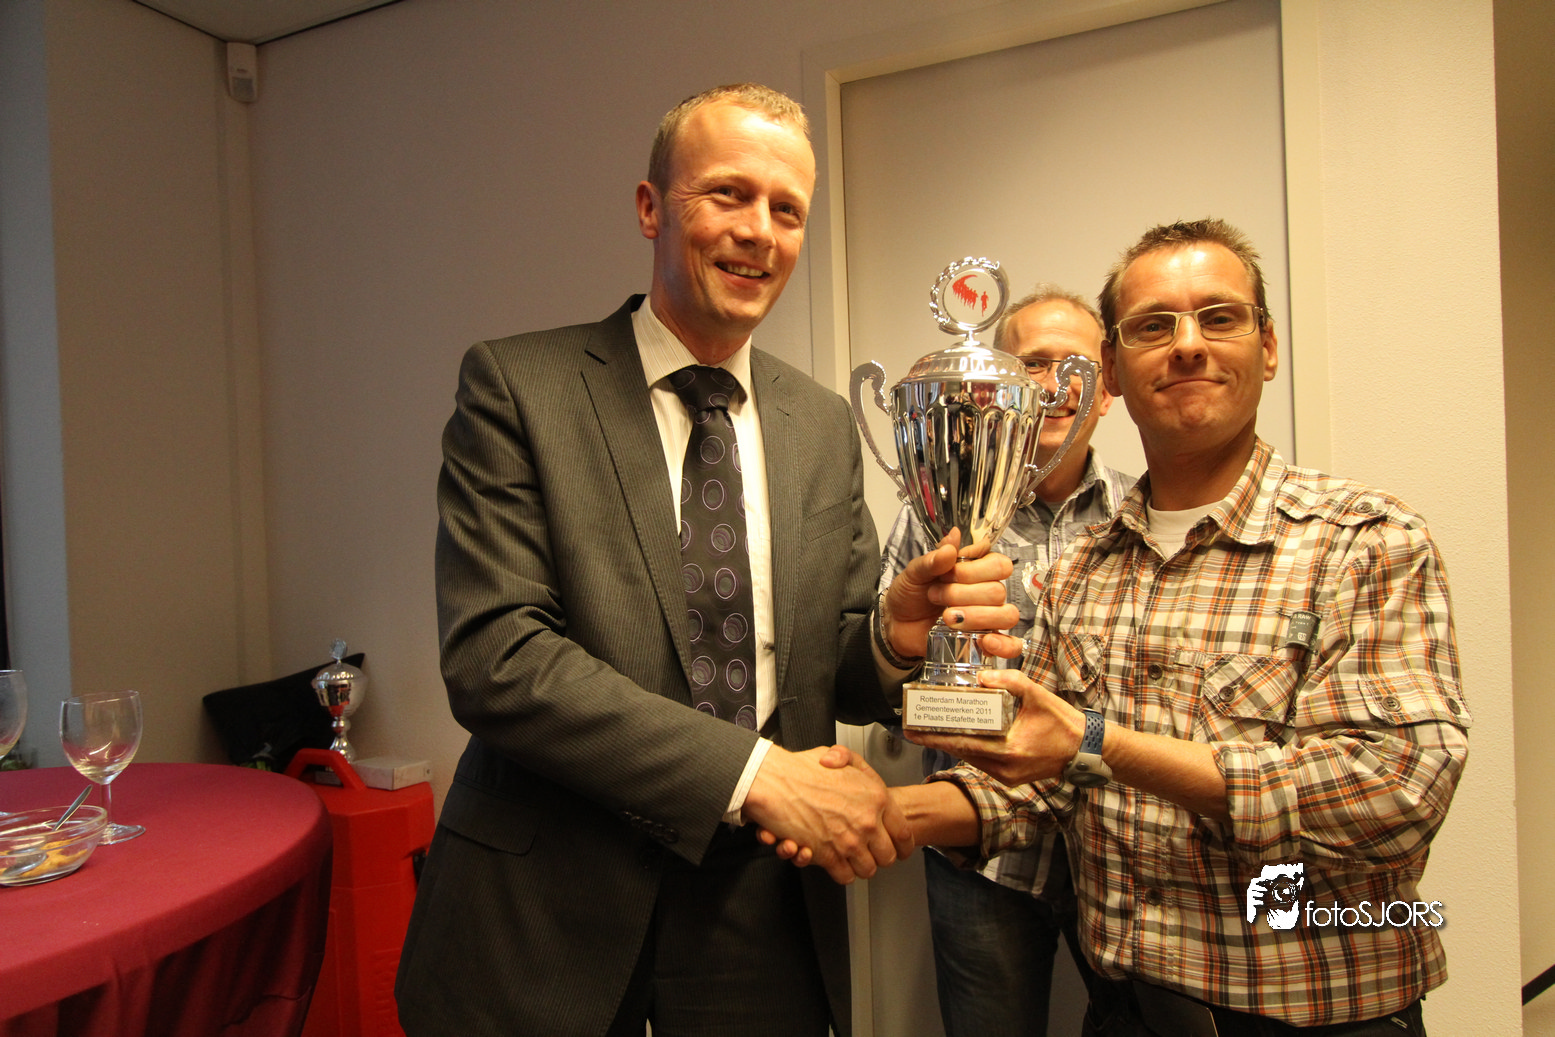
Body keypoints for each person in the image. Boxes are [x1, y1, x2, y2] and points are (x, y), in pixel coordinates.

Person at [394, 83, 1015, 1037]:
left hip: (762, 903)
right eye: (728, 193)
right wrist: (757, 773)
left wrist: (892, 635)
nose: (759, 231)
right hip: (549, 902)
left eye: (786, 209)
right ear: (651, 207)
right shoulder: (520, 386)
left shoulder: (819, 424)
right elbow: (496, 657)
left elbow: (829, 667)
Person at [832, 218, 1469, 1035]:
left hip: (1313, 1017)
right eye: (1153, 326)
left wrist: (1100, 741)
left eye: (1219, 317)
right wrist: (887, 811)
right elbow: (1048, 785)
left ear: (1268, 346)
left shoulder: (1364, 542)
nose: (1188, 345)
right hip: (1125, 1014)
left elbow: (1399, 790)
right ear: (1112, 370)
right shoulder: (1083, 567)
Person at [876, 284, 1132, 1036]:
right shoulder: (933, 509)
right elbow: (881, 679)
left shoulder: (1138, 513)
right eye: (1032, 366)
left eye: (1075, 368)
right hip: (978, 857)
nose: (1052, 386)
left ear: (1106, 390)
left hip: (1120, 850)